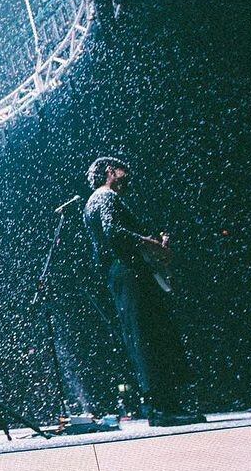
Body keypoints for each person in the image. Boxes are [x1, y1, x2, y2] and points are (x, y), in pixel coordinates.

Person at [83, 157, 203, 426]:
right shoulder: (105, 197)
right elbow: (113, 231)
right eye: (123, 169)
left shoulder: (98, 200)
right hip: (129, 272)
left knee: (145, 336)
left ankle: (162, 405)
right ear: (110, 172)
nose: (128, 174)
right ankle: (163, 409)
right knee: (149, 336)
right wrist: (150, 244)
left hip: (122, 273)